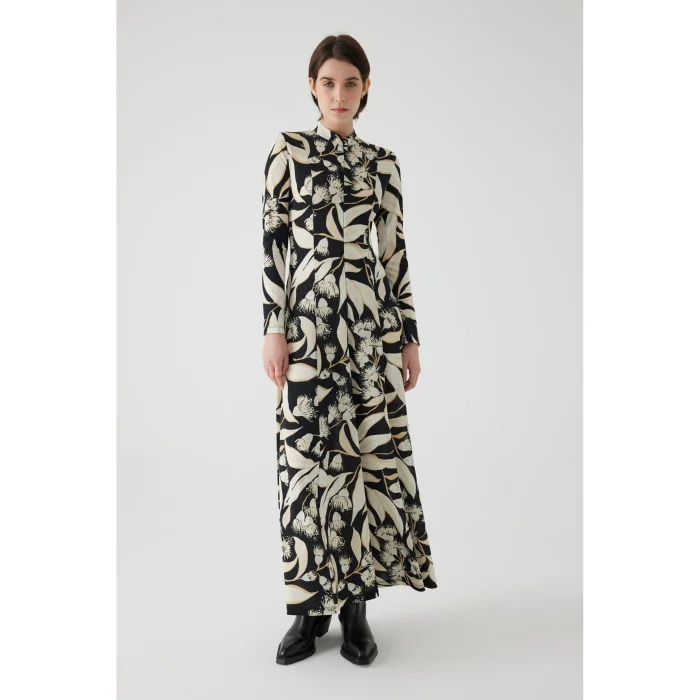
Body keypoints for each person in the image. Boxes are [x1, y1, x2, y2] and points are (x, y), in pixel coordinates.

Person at [261, 34, 438, 666]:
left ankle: (356, 608)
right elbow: (274, 246)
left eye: (351, 83)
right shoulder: (288, 152)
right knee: (306, 467)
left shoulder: (383, 164)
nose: (339, 94)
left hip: (370, 338)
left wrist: (409, 336)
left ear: (365, 90)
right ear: (312, 87)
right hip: (308, 336)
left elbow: (394, 254)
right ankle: (309, 610)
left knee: (364, 462)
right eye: (329, 83)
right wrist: (273, 327)